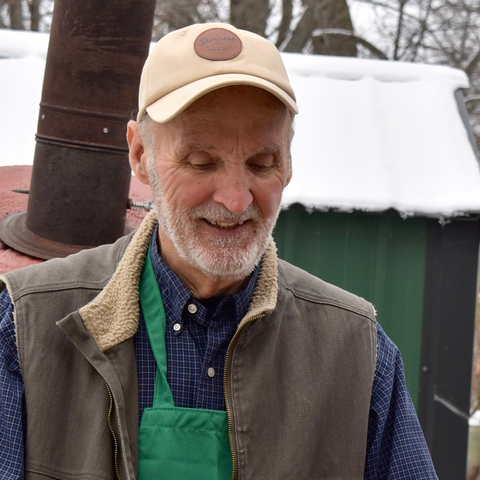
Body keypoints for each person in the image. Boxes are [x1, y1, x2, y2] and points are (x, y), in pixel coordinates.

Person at [0, 22, 437, 479]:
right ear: (140, 155)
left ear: (288, 164)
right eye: (201, 162)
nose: (235, 199)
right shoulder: (26, 327)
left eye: (261, 163)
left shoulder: (356, 352)